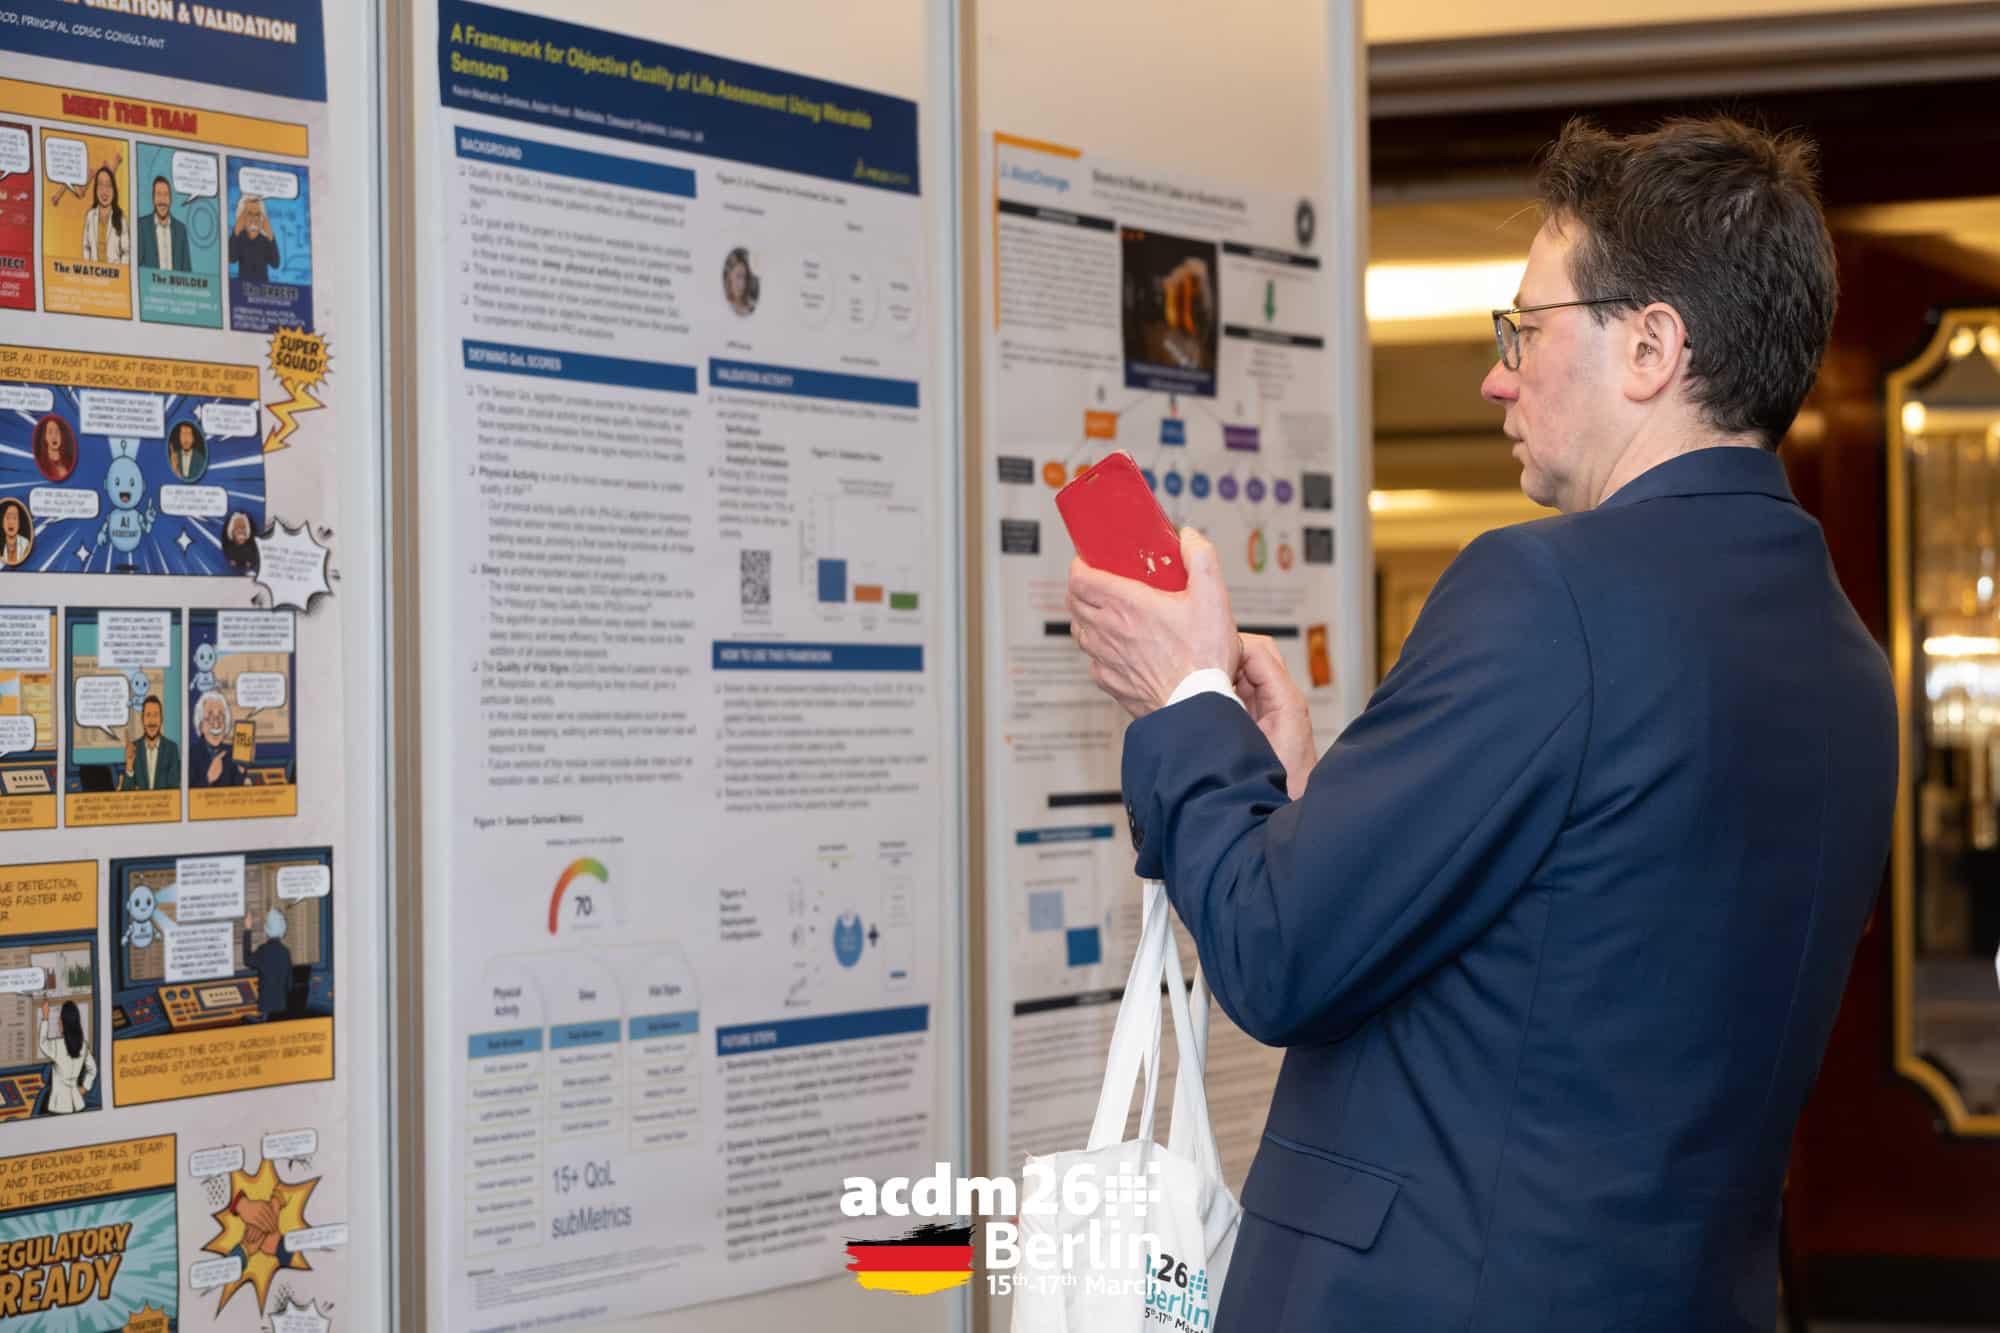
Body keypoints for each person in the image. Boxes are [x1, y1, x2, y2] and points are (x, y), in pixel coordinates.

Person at [1067, 116, 1897, 1332]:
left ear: (1650, 347)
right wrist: (1295, 814)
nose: (1494, 376)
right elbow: (1559, 959)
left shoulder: (1545, 590)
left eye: (1524, 329)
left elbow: (1275, 956)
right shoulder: (1846, 659)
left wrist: (1184, 695)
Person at [36, 997, 95, 1114]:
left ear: (64, 1023)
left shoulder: (57, 1045)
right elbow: (92, 1069)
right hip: (78, 1103)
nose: (58, 1022)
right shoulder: (83, 1045)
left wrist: (45, 1017)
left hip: (59, 1107)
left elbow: (42, 1043)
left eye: (60, 1019)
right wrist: (85, 1088)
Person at [121, 695, 179, 791]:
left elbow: (174, 790)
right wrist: (129, 765)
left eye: (156, 715)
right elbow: (126, 794)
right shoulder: (133, 749)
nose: (152, 721)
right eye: (148, 715)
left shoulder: (171, 749)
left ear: (161, 719)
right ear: (142, 719)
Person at [243, 907, 291, 1021]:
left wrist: (247, 929)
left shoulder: (263, 950)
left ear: (266, 930)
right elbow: (289, 984)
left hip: (266, 1011)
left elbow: (247, 960)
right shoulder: (285, 952)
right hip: (282, 1008)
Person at [190, 689, 243, 788]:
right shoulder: (191, 755)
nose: (216, 724)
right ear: (201, 725)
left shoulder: (232, 753)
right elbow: (186, 793)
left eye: (220, 717)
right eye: (210, 718)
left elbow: (237, 788)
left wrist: (241, 771)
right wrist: (208, 779)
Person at [137, 174, 190, 272]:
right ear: (153, 198)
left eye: (166, 195)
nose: (162, 200)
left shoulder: (181, 230)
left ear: (170, 199)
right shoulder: (141, 226)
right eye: (158, 194)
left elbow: (187, 271)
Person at [80, 164, 127, 264]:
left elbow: (126, 251)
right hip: (94, 271)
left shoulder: (120, 217)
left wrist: (121, 270)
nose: (104, 191)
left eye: (108, 185)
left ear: (114, 190)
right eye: (100, 185)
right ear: (96, 190)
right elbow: (86, 247)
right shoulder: (90, 216)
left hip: (115, 272)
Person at [230, 195, 280, 283]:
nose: (254, 218)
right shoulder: (240, 238)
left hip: (262, 288)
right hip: (243, 286)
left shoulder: (265, 240)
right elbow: (231, 258)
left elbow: (275, 264)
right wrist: (236, 230)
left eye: (257, 214)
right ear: (242, 216)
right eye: (249, 213)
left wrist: (270, 235)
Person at [33, 415, 75, 483]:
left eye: (57, 432)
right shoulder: (41, 463)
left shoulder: (69, 460)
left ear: (61, 435)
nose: (54, 436)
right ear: (45, 437)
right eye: (50, 432)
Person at [723, 246, 758, 316]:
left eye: (746, 277)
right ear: (730, 277)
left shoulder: (752, 306)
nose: (743, 283)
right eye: (738, 276)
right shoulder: (723, 305)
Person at [221, 510, 259, 574]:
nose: (240, 530)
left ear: (247, 530)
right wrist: (231, 560)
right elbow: (227, 552)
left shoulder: (251, 548)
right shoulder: (230, 548)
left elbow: (254, 553)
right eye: (237, 528)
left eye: (243, 527)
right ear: (232, 532)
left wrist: (250, 561)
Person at [0, 500, 32, 567]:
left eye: (15, 518)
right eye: (8, 518)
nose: (11, 522)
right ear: (2, 522)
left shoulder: (25, 545)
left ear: (19, 522)